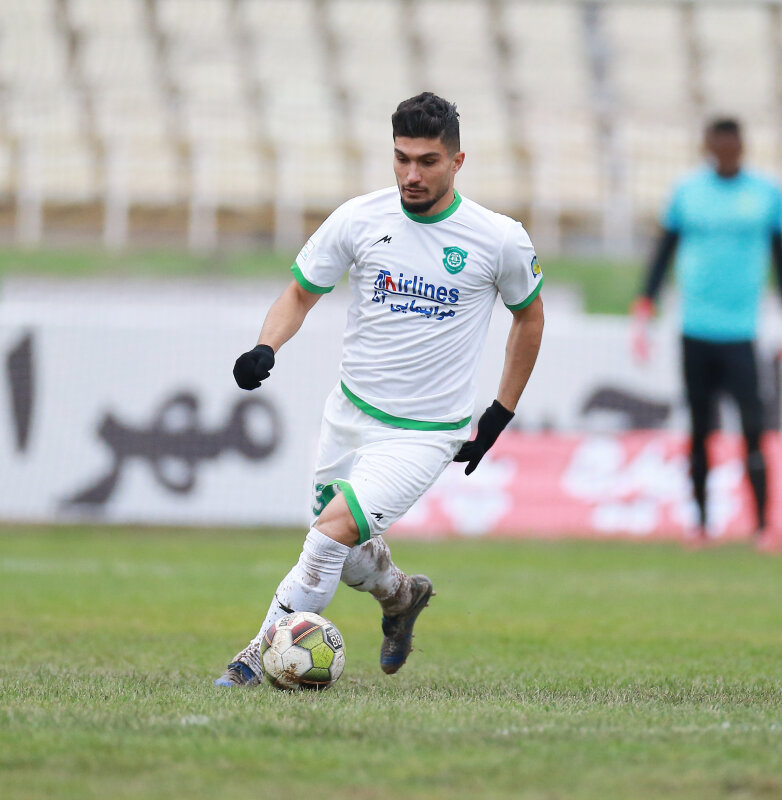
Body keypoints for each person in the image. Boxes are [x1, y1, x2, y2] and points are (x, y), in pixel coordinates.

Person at [215, 92, 545, 687]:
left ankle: (254, 660)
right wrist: (266, 346)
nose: (411, 175)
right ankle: (400, 596)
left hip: (423, 433)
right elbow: (299, 293)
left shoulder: (499, 238)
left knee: (328, 538)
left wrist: (500, 412)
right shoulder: (359, 218)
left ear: (457, 161)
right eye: (401, 158)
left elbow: (529, 317)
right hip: (348, 416)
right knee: (344, 553)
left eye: (427, 161)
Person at [631, 117, 782, 552]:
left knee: (753, 428)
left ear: (741, 147)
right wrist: (645, 305)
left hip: (742, 332)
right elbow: (663, 252)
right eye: (718, 145)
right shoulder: (687, 192)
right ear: (708, 146)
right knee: (700, 429)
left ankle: (763, 526)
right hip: (695, 329)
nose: (725, 152)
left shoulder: (766, 194)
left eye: (731, 145)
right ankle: (701, 524)